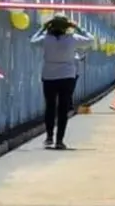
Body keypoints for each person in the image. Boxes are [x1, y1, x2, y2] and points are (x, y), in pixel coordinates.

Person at [31, 14, 93, 149]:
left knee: (50, 107)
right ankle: (59, 140)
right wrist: (78, 27)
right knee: (63, 109)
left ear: (51, 26)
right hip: (67, 76)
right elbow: (90, 40)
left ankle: (49, 137)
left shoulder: (46, 39)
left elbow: (32, 41)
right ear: (67, 27)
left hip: (49, 76)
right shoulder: (73, 38)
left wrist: (42, 28)